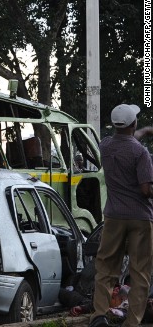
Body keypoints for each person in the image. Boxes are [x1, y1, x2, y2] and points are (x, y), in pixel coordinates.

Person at [89, 104, 153, 327]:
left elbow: (124, 138)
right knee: (140, 272)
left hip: (113, 215)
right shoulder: (141, 152)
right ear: (132, 123)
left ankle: (98, 315)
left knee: (105, 266)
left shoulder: (105, 146)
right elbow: (146, 190)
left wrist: (143, 131)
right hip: (140, 217)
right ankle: (132, 322)